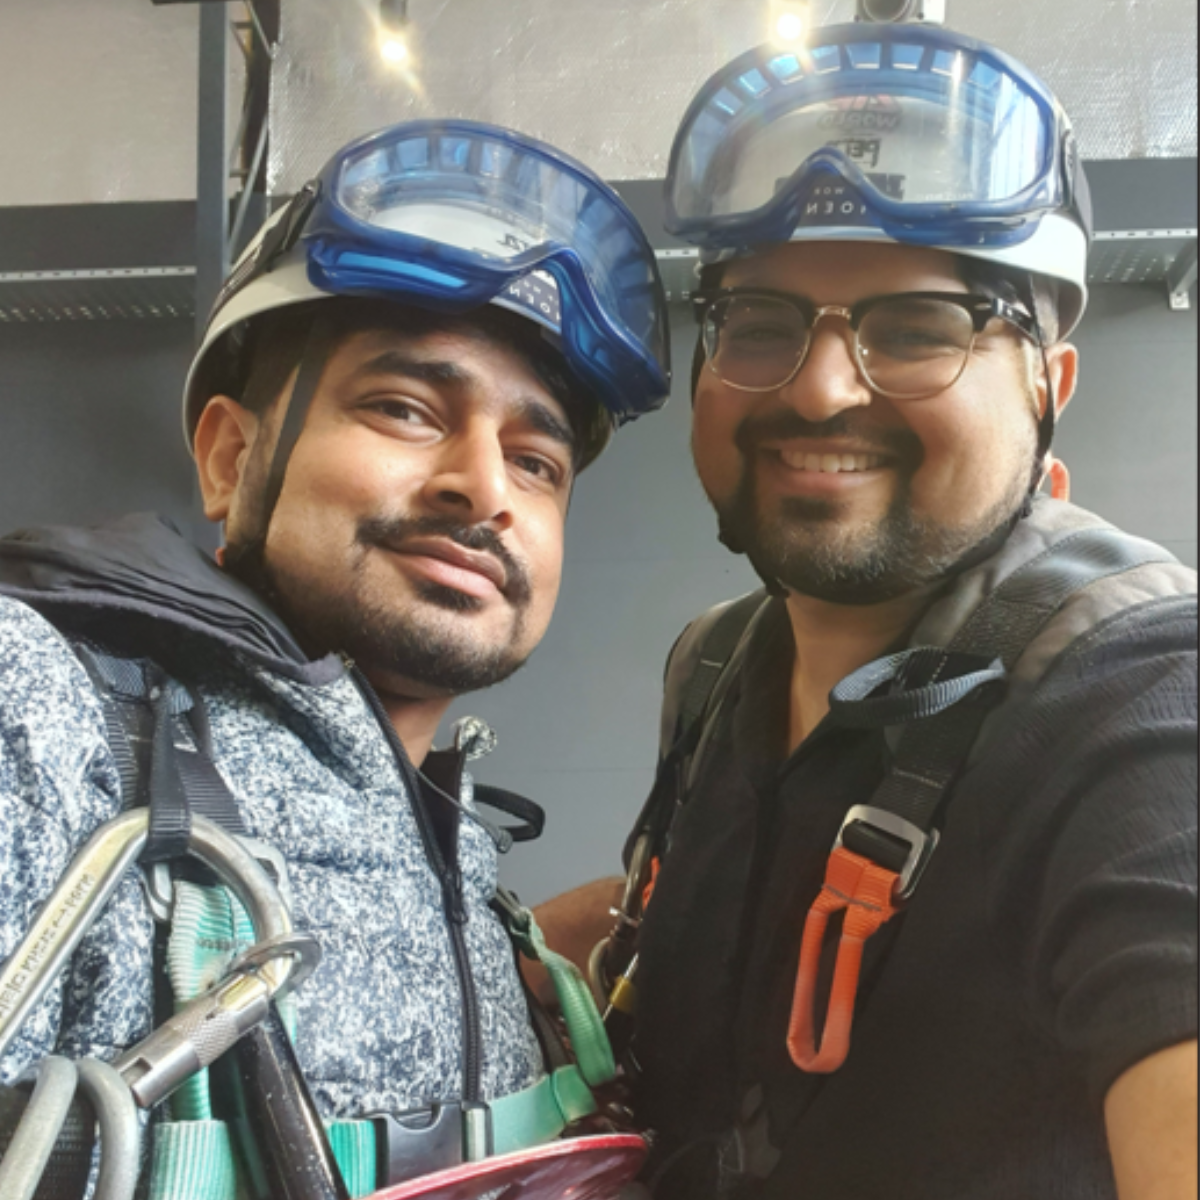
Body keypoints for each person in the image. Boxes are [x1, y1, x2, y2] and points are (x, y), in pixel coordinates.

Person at [536, 23, 1197, 1200]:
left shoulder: (1143, 696)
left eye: (917, 328)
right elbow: (696, 912)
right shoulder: (718, 664)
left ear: (1051, 382)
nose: (821, 386)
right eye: (760, 323)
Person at [0, 118, 669, 1196]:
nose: (484, 487)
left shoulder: (464, 869)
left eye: (536, 460)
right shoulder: (45, 718)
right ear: (230, 456)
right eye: (405, 409)